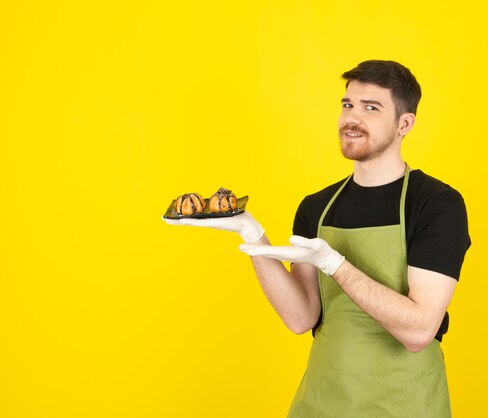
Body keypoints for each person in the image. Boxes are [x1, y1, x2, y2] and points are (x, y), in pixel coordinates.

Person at [165, 60, 471, 417]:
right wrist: (253, 236)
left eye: (371, 108)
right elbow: (301, 317)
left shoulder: (436, 204)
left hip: (404, 403)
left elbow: (419, 331)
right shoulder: (318, 207)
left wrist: (334, 264)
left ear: (405, 124)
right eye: (348, 105)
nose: (351, 118)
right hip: (325, 401)